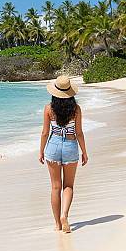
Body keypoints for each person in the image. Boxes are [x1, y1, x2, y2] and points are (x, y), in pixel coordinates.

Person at [39, 75, 88, 233]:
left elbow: (45, 133)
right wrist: (84, 153)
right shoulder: (76, 109)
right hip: (70, 145)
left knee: (55, 187)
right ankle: (64, 215)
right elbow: (79, 133)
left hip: (52, 146)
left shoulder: (48, 108)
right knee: (68, 185)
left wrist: (41, 151)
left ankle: (57, 225)